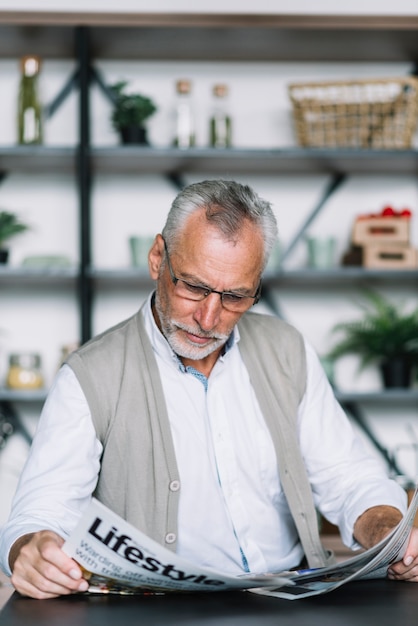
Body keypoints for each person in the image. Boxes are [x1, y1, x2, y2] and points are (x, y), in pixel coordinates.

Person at [0, 179, 417, 599]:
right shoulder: (89, 375)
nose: (208, 317)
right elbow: (40, 513)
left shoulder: (287, 350)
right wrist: (31, 553)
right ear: (157, 258)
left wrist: (390, 533)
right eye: (194, 287)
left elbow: (347, 477)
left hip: (288, 602)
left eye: (235, 296)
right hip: (157, 611)